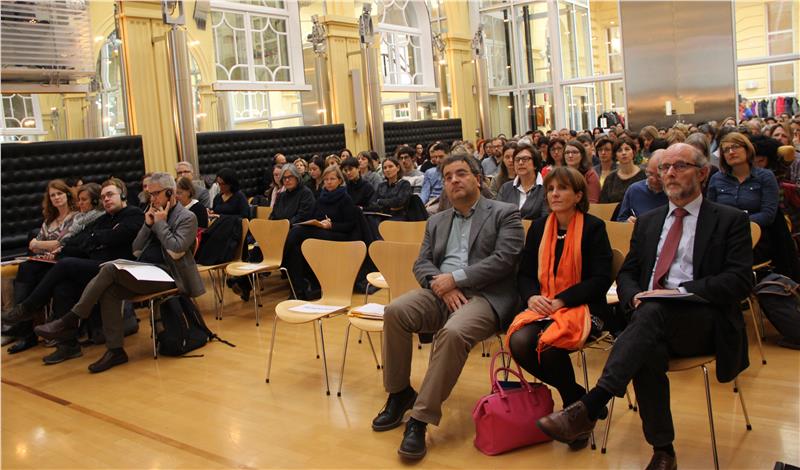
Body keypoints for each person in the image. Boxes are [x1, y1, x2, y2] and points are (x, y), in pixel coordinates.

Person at [536, 143, 753, 470]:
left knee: (651, 316)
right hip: (648, 321)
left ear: (702, 173)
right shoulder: (649, 222)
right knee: (647, 345)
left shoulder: (729, 220)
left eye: (680, 166)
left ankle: (591, 405)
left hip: (704, 321)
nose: (670, 173)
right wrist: (634, 296)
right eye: (664, 168)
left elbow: (739, 280)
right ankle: (663, 451)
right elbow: (628, 273)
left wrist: (679, 292)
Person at [372, 153, 524, 460]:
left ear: (477, 179)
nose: (454, 180)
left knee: (453, 332)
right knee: (395, 311)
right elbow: (422, 263)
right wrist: (441, 285)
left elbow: (504, 260)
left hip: (486, 296)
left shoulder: (505, 213)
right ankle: (399, 393)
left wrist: (455, 278)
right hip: (441, 292)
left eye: (461, 174)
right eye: (448, 177)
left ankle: (420, 418)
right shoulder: (437, 220)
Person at [34, 173, 205, 373]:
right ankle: (115, 350)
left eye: (156, 194)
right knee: (110, 290)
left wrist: (160, 224)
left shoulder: (187, 217)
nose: (152, 199)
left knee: (109, 267)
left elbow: (176, 252)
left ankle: (71, 319)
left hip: (170, 276)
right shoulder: (152, 214)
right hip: (146, 271)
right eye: (149, 195)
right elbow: (136, 250)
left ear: (170, 193)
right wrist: (148, 225)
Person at [507, 166, 613, 450]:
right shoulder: (539, 227)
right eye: (551, 189)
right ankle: (580, 401)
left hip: (585, 306)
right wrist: (532, 297)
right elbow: (525, 274)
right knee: (519, 342)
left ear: (578, 196)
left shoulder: (593, 227)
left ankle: (573, 412)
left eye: (562, 188)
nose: (554, 194)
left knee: (551, 343)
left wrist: (562, 300)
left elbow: (601, 279)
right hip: (544, 305)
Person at [2, 178, 144, 363]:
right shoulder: (104, 219)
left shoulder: (134, 214)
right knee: (62, 286)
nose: (106, 199)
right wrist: (91, 240)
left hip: (118, 268)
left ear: (122, 195)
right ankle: (68, 346)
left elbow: (117, 236)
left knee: (65, 264)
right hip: (97, 266)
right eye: (103, 197)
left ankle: (28, 307)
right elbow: (77, 242)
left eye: (110, 195)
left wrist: (94, 239)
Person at [281, 166, 359, 300]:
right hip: (321, 231)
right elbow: (313, 216)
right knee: (295, 249)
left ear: (340, 181)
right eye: (326, 179)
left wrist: (331, 225)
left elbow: (350, 225)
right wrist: (316, 222)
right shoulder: (321, 198)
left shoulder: (345, 198)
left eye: (332, 179)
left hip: (339, 235)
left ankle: (282, 260)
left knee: (296, 233)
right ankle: (298, 290)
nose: (329, 182)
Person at [708, 132, 779, 229]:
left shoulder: (765, 176)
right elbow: (711, 212)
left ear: (747, 149)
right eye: (726, 150)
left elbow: (768, 214)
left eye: (735, 147)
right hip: (724, 233)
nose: (731, 152)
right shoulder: (716, 178)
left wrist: (738, 222)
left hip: (757, 232)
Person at [497, 143, 548, 220]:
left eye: (525, 159)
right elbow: (498, 215)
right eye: (517, 160)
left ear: (535, 164)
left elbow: (546, 218)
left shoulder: (545, 187)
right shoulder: (506, 188)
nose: (520, 163)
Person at [616, 150, 669, 222]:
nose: (654, 180)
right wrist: (627, 222)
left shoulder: (673, 194)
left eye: (659, 176)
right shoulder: (634, 190)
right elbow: (620, 220)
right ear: (646, 169)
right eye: (650, 174)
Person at [600, 137, 646, 203]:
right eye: (619, 150)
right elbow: (603, 203)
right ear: (615, 155)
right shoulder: (610, 178)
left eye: (627, 149)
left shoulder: (645, 175)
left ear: (634, 152)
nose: (623, 153)